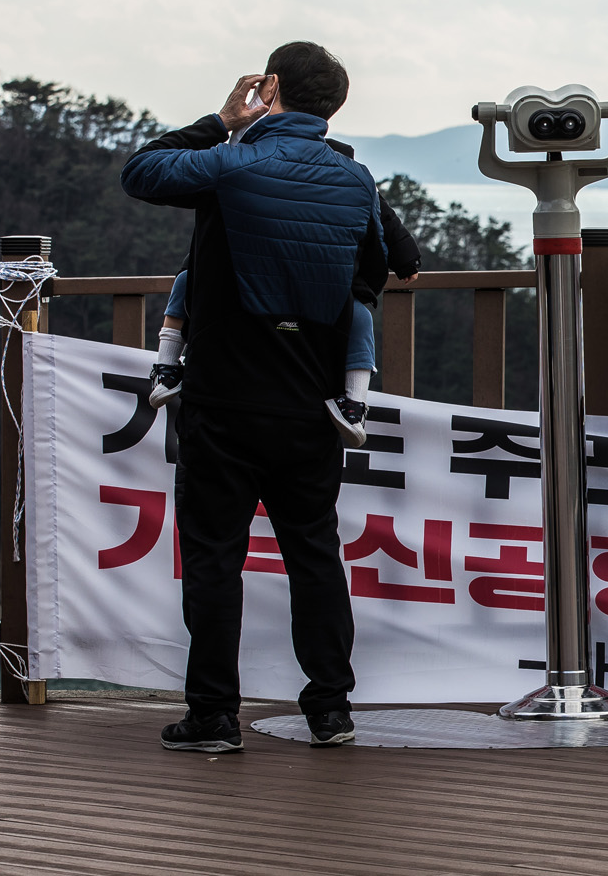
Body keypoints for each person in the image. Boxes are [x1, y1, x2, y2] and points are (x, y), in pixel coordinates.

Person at [121, 43, 387, 753]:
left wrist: (220, 120)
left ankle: (212, 718)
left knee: (214, 558)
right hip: (310, 403)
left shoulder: (235, 162)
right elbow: (384, 263)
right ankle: (330, 707)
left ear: (269, 87)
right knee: (314, 555)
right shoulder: (354, 179)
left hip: (223, 398)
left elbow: (141, 172)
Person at [149, 128, 422, 448]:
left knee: (187, 282)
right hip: (318, 291)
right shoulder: (343, 173)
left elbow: (382, 214)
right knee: (358, 317)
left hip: (247, 295)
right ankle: (353, 402)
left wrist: (406, 258)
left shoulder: (244, 164)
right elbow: (383, 217)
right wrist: (407, 260)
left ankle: (355, 402)